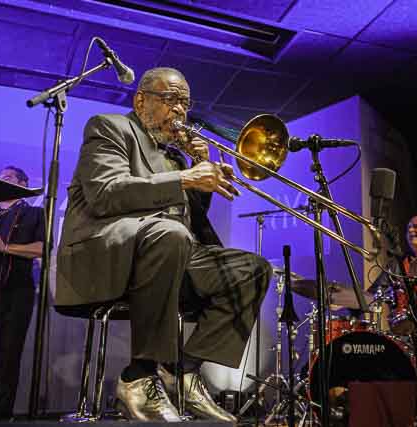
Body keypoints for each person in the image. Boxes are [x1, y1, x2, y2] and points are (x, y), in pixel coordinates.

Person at [55, 67, 272, 422]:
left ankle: (183, 372)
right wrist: (185, 177)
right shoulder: (110, 127)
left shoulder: (174, 156)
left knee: (251, 270)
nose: (179, 111)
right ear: (141, 100)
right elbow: (104, 194)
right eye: (170, 99)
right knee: (169, 235)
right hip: (111, 255)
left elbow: (192, 222)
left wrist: (201, 166)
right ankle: (138, 376)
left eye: (185, 103)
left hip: (168, 254)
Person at [0, 166, 45, 420]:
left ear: (22, 184)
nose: (0, 182)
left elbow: (41, 248)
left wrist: (4, 247)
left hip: (16, 292)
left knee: (8, 358)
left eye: (6, 178)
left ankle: (0, 416)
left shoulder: (35, 213)